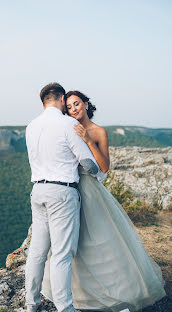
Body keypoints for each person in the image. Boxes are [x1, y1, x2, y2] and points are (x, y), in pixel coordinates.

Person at [41, 91, 166, 311]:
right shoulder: (65, 127)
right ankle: (73, 291)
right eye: (69, 107)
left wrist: (88, 140)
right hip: (67, 188)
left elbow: (104, 167)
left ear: (86, 104)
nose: (74, 109)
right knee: (72, 242)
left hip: (89, 189)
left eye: (77, 104)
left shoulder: (99, 132)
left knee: (98, 236)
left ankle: (115, 291)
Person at [25, 83, 105, 312]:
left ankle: (31, 304)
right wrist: (99, 175)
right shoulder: (68, 123)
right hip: (62, 193)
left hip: (38, 191)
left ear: (43, 103)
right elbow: (88, 164)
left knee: (37, 252)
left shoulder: (31, 126)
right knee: (62, 254)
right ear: (61, 100)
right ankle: (65, 308)